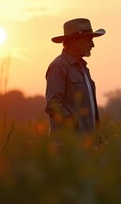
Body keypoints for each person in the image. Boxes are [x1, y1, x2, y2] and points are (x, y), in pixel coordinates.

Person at [45, 18, 105, 147]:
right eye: (89, 40)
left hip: (86, 148)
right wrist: (74, 126)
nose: (93, 45)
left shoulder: (82, 67)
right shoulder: (59, 66)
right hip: (68, 148)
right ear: (76, 41)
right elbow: (53, 104)